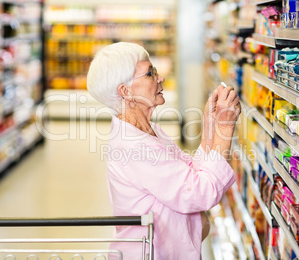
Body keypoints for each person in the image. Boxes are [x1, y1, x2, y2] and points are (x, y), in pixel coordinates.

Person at [87, 42, 241, 259]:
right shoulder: (135, 148)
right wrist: (225, 128)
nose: (160, 78)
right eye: (150, 74)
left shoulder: (148, 131)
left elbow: (191, 175)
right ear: (126, 91)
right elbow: (199, 192)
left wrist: (209, 125)